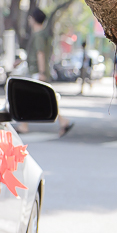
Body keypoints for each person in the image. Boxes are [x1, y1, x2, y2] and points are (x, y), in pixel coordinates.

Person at [24, 7, 73, 136]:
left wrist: (41, 72)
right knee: (44, 98)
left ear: (33, 19)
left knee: (31, 98)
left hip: (37, 72)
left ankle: (24, 125)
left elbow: (40, 54)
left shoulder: (39, 35)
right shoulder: (44, 34)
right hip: (39, 70)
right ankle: (63, 122)